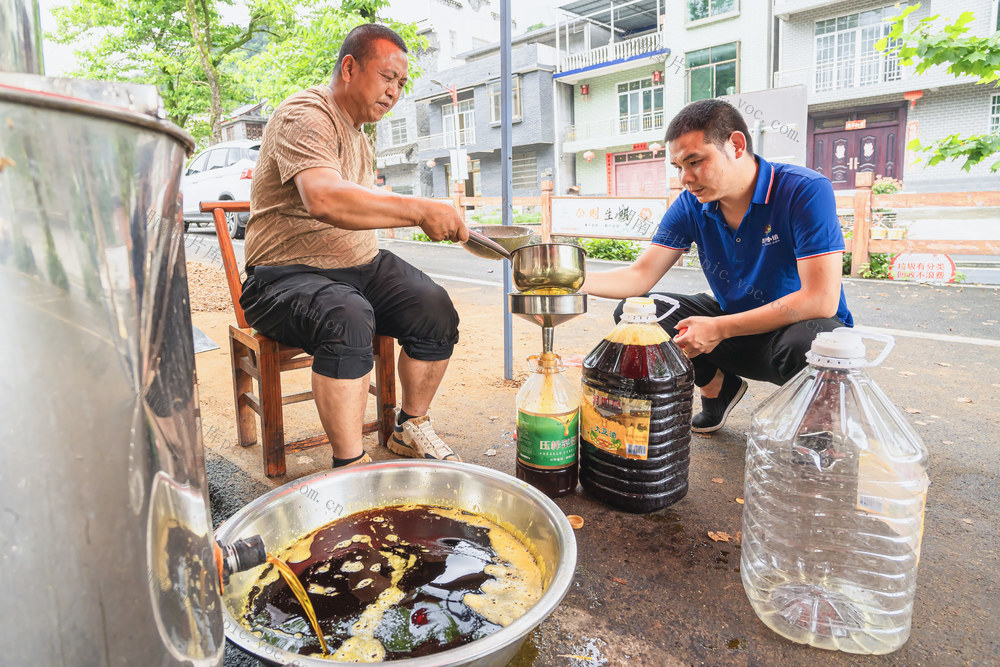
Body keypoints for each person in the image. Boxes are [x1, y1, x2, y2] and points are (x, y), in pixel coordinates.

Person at [240, 24, 470, 468]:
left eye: (401, 84)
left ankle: (409, 426)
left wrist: (431, 213)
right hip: (283, 276)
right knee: (347, 316)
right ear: (350, 67)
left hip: (358, 267)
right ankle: (350, 465)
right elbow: (324, 198)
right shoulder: (305, 114)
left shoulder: (360, 137)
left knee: (433, 307)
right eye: (387, 77)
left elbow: (368, 201)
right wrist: (420, 210)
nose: (394, 92)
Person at [582, 99, 853, 433]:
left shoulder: (803, 190)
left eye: (695, 161)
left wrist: (720, 328)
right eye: (678, 166)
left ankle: (817, 427)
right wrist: (568, 278)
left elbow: (820, 299)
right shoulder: (691, 205)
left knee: (819, 339)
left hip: (791, 335)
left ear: (736, 145)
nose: (686, 178)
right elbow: (639, 276)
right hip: (731, 327)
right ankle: (718, 388)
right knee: (639, 313)